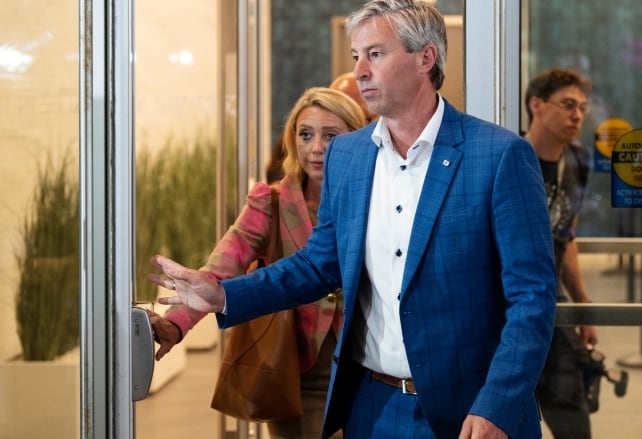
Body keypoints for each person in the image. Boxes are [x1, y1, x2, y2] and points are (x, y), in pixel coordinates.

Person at [149, 1, 557, 437]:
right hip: (371, 408)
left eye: (375, 54)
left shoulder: (498, 156)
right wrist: (223, 296)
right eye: (356, 56)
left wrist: (498, 402)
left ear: (425, 58)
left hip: (471, 410)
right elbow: (317, 264)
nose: (360, 70)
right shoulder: (349, 155)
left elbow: (532, 297)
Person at [147, 87, 367, 439]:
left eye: (331, 135)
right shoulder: (272, 202)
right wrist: (176, 324)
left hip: (366, 372)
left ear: (357, 139)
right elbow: (221, 268)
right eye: (305, 134)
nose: (316, 148)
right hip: (296, 376)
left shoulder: (375, 199)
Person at [524, 68, 598, 438]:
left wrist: (583, 306)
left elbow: (566, 235)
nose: (577, 115)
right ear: (536, 105)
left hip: (553, 302)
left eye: (582, 107)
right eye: (568, 105)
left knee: (572, 418)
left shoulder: (579, 160)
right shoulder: (512, 157)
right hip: (510, 307)